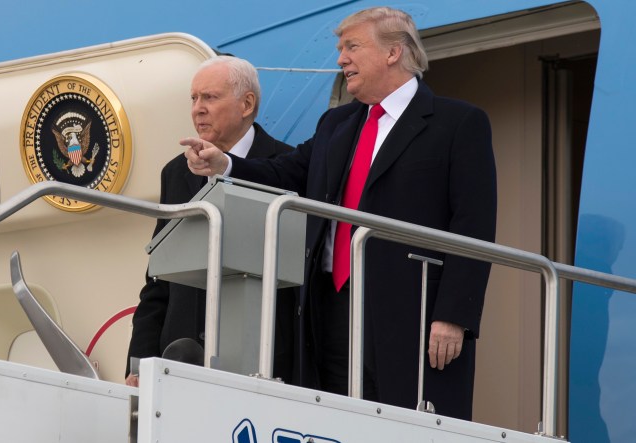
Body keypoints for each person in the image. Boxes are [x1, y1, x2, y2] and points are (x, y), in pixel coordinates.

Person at [183, 7, 497, 420]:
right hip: (329, 307)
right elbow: (288, 172)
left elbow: (474, 224)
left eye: (352, 47)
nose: (341, 59)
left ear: (393, 52)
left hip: (411, 314)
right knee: (332, 422)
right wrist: (225, 164)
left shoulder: (458, 123)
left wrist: (454, 315)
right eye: (340, 49)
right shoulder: (337, 122)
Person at [125, 56, 296, 386]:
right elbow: (158, 279)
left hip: (262, 364)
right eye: (194, 98)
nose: (197, 109)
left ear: (247, 104)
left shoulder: (286, 165)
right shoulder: (176, 172)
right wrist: (140, 362)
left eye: (210, 97)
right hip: (179, 360)